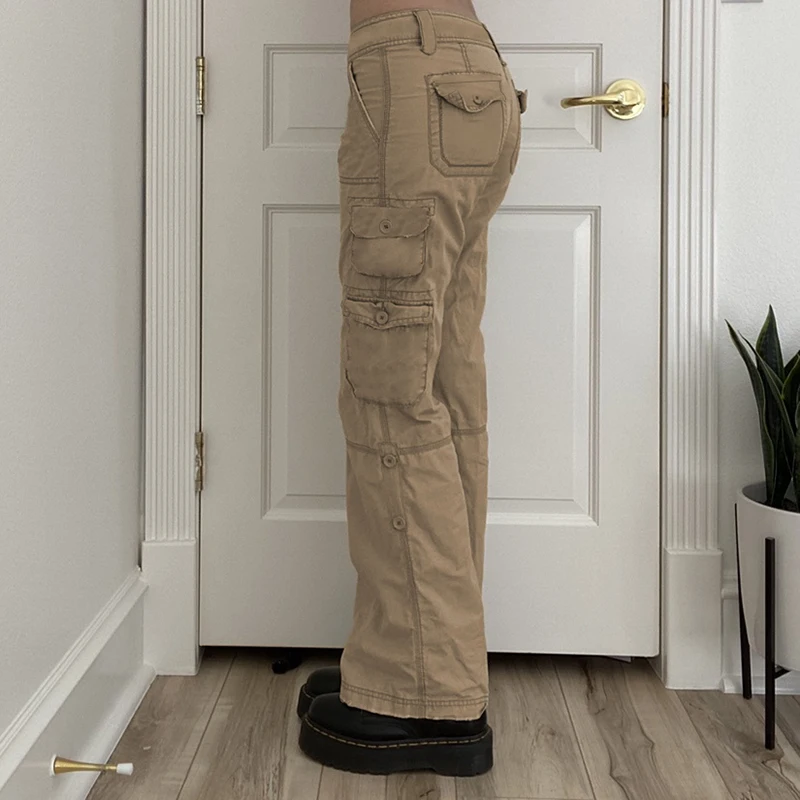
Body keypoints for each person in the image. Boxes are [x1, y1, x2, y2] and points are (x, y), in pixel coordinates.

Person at [298, 0, 525, 777]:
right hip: (468, 71)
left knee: (391, 389)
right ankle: (427, 661)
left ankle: (425, 693)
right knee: (444, 383)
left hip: (410, 73)